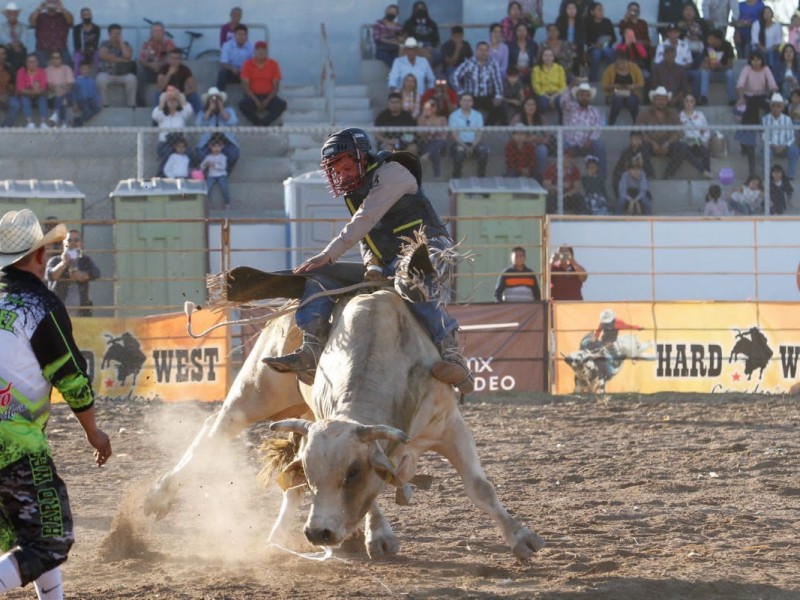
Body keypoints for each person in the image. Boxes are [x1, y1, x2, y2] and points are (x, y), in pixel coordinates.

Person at [262, 127, 474, 394]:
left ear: (362, 157)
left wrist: (329, 254)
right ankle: (311, 350)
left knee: (410, 277)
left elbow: (365, 219)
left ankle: (452, 353)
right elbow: (367, 235)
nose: (342, 174)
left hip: (428, 250)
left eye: (346, 166)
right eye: (336, 170)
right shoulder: (355, 192)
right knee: (318, 277)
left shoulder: (394, 172)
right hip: (387, 263)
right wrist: (370, 263)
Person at [0, 209, 111, 599]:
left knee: (27, 538)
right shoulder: (40, 306)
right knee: (51, 540)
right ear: (39, 256)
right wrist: (93, 432)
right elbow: (72, 379)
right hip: (13, 445)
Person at [44, 227, 100, 317]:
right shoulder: (55, 260)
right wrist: (63, 263)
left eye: (76, 240)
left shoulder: (85, 260)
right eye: (69, 240)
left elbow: (96, 272)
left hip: (81, 314)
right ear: (64, 244)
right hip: (58, 313)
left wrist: (82, 275)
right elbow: (50, 275)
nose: (72, 243)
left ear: (81, 244)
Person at [636, 86, 687, 179]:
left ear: (667, 101)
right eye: (658, 99)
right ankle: (650, 174)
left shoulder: (673, 113)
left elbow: (679, 131)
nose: (661, 102)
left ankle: (669, 174)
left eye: (663, 99)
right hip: (650, 144)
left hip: (668, 144)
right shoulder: (644, 113)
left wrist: (667, 143)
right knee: (641, 147)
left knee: (682, 147)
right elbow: (640, 131)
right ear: (653, 100)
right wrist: (653, 143)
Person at [560, 81, 607, 177]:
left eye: (587, 95)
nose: (584, 98)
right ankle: (560, 179)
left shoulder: (594, 111)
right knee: (562, 145)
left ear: (590, 97)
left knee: (600, 145)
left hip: (588, 145)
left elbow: (597, 129)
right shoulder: (570, 108)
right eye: (581, 95)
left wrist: (590, 141)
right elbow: (563, 101)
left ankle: (601, 179)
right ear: (577, 96)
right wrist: (570, 88)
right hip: (571, 144)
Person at [451, 41, 505, 125]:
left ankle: (487, 128)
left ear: (488, 51)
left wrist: (498, 96)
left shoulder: (493, 63)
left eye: (485, 50)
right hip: (471, 96)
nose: (483, 52)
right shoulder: (469, 63)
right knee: (462, 107)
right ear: (476, 51)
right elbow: (454, 76)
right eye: (480, 50)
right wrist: (461, 92)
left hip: (487, 96)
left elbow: (498, 81)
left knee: (501, 109)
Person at [239, 41, 287, 127]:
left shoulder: (273, 64)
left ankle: (264, 123)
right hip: (252, 96)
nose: (260, 52)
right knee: (243, 104)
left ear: (266, 52)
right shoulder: (247, 64)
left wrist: (266, 101)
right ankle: (257, 123)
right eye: (258, 50)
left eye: (263, 50)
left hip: (268, 96)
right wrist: (256, 101)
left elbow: (276, 88)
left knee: (282, 105)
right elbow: (245, 87)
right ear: (254, 51)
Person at [195, 86, 239, 173]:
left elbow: (233, 122)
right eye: (212, 99)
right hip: (208, 142)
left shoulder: (229, 110)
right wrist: (210, 110)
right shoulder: (202, 113)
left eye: (217, 99)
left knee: (234, 153)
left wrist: (222, 109)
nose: (215, 101)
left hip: (225, 141)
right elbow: (198, 125)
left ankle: (224, 172)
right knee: (201, 154)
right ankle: (210, 172)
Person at [510, 95, 551, 181]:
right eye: (528, 105)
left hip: (537, 146)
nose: (531, 107)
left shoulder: (542, 119)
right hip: (521, 147)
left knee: (543, 150)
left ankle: (539, 177)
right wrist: (533, 138)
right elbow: (513, 137)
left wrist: (532, 139)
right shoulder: (517, 118)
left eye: (533, 105)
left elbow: (547, 137)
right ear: (523, 106)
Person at [448, 93, 489, 178]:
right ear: (460, 102)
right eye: (464, 100)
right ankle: (456, 178)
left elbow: (479, 133)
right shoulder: (454, 116)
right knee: (459, 152)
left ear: (472, 103)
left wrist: (473, 145)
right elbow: (454, 135)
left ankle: (481, 177)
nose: (467, 103)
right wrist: (464, 146)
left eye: (469, 100)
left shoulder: (478, 115)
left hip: (474, 142)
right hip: (459, 143)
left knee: (484, 151)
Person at [95, 23, 136, 108]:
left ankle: (131, 105)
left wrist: (121, 43)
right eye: (115, 33)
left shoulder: (125, 44)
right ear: (109, 34)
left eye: (119, 33)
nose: (117, 35)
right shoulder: (104, 44)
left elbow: (128, 56)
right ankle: (104, 104)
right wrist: (123, 60)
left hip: (123, 74)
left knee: (132, 79)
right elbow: (104, 56)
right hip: (107, 73)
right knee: (100, 79)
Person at [152, 87, 194, 164]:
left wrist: (179, 96)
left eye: (174, 100)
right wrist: (163, 99)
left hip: (180, 143)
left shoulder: (182, 115)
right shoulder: (162, 115)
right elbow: (155, 116)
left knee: (190, 154)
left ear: (178, 103)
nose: (172, 102)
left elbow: (189, 111)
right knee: (168, 154)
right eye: (169, 100)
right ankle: (163, 174)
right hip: (165, 143)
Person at [762, 93, 799, 180]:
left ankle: (790, 175)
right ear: (770, 106)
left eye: (778, 106)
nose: (776, 108)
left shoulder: (787, 119)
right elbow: (764, 136)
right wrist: (773, 146)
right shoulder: (765, 119)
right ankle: (767, 175)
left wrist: (784, 146)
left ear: (782, 107)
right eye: (773, 106)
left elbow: (791, 136)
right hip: (771, 146)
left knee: (795, 151)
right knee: (765, 152)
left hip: (785, 147)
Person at [601, 49, 643, 125]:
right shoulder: (609, 70)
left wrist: (632, 87)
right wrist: (613, 86)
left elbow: (641, 83)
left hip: (631, 93)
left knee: (632, 101)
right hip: (614, 93)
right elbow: (604, 86)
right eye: (619, 63)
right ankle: (611, 123)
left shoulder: (634, 68)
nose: (621, 65)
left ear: (627, 61)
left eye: (623, 62)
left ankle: (637, 123)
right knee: (617, 101)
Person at [137, 21, 174, 105]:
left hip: (164, 73)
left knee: (171, 70)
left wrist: (159, 65)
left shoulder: (169, 44)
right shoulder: (146, 44)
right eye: (155, 31)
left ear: (163, 32)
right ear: (151, 33)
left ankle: (169, 102)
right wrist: (151, 64)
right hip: (151, 72)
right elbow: (142, 59)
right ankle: (140, 103)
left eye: (159, 31)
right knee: (140, 70)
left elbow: (172, 59)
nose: (157, 33)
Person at [155, 48, 202, 114]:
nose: (174, 61)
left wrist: (183, 94)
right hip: (166, 95)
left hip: (180, 94)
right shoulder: (164, 69)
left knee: (194, 96)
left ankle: (201, 119)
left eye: (177, 58)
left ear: (180, 60)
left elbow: (193, 87)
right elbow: (160, 87)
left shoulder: (185, 69)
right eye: (172, 58)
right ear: (169, 59)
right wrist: (169, 74)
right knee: (158, 95)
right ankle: (156, 122)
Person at [29, 0, 72, 67]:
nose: (52, 3)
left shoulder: (63, 16)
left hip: (61, 49)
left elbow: (70, 21)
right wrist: (39, 9)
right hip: (42, 49)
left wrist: (62, 9)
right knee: (41, 70)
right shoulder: (40, 16)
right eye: (49, 1)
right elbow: (32, 22)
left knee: (67, 67)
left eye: (54, 1)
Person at [679, 93, 712, 179]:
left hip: (698, 141)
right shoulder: (680, 116)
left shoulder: (700, 115)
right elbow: (678, 133)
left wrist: (703, 140)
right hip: (685, 143)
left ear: (694, 103)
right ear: (684, 103)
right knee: (685, 151)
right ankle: (703, 171)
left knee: (705, 151)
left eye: (691, 101)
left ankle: (708, 171)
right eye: (687, 101)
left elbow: (706, 130)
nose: (689, 103)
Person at [700, 28, 736, 105]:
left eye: (711, 39)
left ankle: (732, 99)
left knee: (730, 73)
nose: (709, 40)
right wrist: (709, 65)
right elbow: (705, 63)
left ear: (717, 39)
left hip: (723, 72)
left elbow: (730, 64)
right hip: (712, 72)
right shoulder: (708, 47)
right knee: (704, 73)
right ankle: (704, 97)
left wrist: (721, 66)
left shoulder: (727, 45)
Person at [611, 130, 654, 194]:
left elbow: (648, 167)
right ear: (631, 140)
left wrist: (641, 165)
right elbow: (622, 167)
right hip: (627, 175)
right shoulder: (626, 152)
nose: (638, 142)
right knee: (618, 178)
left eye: (640, 139)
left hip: (640, 175)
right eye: (635, 139)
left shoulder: (644, 152)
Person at [736, 50, 777, 116]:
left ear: (761, 60)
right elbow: (740, 84)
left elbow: (772, 84)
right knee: (749, 106)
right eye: (753, 60)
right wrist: (741, 98)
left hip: (762, 96)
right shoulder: (747, 68)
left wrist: (775, 97)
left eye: (758, 59)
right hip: (748, 96)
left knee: (771, 107)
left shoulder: (766, 69)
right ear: (750, 61)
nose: (756, 62)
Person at [416, 98, 448, 180]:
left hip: (439, 145)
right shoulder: (421, 119)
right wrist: (424, 115)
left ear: (437, 107)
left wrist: (429, 132)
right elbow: (420, 134)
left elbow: (444, 136)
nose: (430, 107)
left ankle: (427, 155)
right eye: (428, 105)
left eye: (433, 105)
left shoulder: (442, 119)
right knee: (435, 152)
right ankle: (437, 176)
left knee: (441, 142)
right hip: (426, 144)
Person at [584, 1, 617, 82]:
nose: (601, 12)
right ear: (592, 12)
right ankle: (593, 77)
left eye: (602, 10)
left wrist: (609, 39)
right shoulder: (588, 23)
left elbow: (614, 38)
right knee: (596, 54)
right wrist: (594, 45)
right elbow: (585, 39)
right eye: (599, 10)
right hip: (592, 47)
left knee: (609, 52)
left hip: (606, 46)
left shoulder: (607, 22)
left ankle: (612, 76)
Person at [532, 47, 566, 123]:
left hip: (557, 93)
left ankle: (562, 126)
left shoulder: (559, 68)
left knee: (562, 101)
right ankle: (540, 124)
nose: (548, 57)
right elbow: (536, 86)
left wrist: (554, 97)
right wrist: (547, 96)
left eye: (550, 55)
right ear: (542, 57)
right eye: (545, 55)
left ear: (554, 57)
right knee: (543, 103)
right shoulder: (536, 69)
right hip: (543, 93)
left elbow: (563, 85)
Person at [15, 53, 48, 129]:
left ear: (37, 63)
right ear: (26, 63)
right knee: (25, 98)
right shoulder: (21, 71)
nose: (32, 64)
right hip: (25, 95)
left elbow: (43, 88)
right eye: (29, 62)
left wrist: (36, 91)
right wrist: (33, 91)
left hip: (38, 95)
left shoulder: (41, 71)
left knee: (42, 98)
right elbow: (20, 89)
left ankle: (43, 123)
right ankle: (30, 123)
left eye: (34, 62)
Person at [216, 24, 253, 91]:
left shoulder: (252, 46)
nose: (241, 37)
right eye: (239, 34)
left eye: (244, 34)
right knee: (222, 73)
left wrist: (246, 70)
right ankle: (220, 96)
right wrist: (232, 68)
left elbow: (255, 62)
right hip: (233, 72)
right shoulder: (227, 45)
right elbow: (223, 63)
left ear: (247, 36)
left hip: (247, 72)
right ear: (234, 35)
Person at [402, 1, 440, 66]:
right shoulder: (408, 23)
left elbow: (437, 39)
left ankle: (425, 73)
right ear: (414, 10)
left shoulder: (432, 24)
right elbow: (404, 37)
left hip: (429, 48)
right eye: (417, 8)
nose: (420, 10)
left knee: (429, 53)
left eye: (422, 8)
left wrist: (432, 47)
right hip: (414, 47)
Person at [200, 135, 231, 209]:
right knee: (208, 187)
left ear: (222, 147)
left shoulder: (223, 157)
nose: (216, 149)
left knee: (224, 187)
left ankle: (227, 202)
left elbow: (223, 167)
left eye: (219, 146)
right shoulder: (208, 157)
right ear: (210, 147)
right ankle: (207, 203)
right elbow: (202, 166)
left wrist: (214, 165)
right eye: (214, 147)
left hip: (221, 175)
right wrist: (205, 165)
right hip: (211, 175)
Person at [555, 1, 585, 76]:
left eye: (573, 8)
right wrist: (566, 45)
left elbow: (583, 36)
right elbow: (557, 36)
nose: (571, 11)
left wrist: (576, 44)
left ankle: (575, 77)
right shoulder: (560, 20)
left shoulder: (581, 21)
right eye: (569, 8)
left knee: (575, 55)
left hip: (576, 47)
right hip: (563, 46)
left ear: (577, 10)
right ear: (565, 9)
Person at [44, 50, 72, 127]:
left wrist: (59, 88)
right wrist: (60, 87)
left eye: (58, 58)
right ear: (51, 60)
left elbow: (69, 84)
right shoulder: (47, 70)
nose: (56, 60)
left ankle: (56, 116)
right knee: (61, 98)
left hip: (66, 93)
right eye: (53, 58)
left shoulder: (67, 68)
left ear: (61, 59)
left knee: (61, 97)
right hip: (52, 93)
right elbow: (50, 86)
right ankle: (63, 122)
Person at [71, 6, 98, 75]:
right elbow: (76, 43)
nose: (87, 17)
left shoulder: (96, 28)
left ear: (91, 15)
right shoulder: (77, 28)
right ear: (81, 16)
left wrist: (89, 51)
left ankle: (93, 77)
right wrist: (81, 51)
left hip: (91, 51)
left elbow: (95, 43)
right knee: (78, 57)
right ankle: (78, 78)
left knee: (95, 57)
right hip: (80, 51)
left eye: (89, 15)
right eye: (85, 15)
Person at [0, 2, 27, 72]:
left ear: (17, 14)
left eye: (13, 13)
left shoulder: (22, 26)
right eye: (9, 13)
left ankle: (17, 76)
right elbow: (4, 39)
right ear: (6, 15)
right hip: (7, 48)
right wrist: (13, 45)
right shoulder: (2, 26)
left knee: (20, 54)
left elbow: (23, 39)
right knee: (12, 54)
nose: (12, 15)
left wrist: (18, 45)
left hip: (19, 47)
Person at [373, 4, 402, 68]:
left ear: (396, 15)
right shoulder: (379, 23)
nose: (391, 13)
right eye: (390, 11)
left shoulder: (398, 26)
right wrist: (392, 41)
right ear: (386, 12)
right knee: (394, 64)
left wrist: (400, 39)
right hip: (382, 49)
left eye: (394, 12)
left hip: (395, 49)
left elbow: (400, 38)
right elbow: (378, 38)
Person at [72, 58, 100, 125]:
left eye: (87, 69)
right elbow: (74, 93)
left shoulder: (92, 80)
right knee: (87, 112)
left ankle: (79, 120)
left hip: (91, 100)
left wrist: (98, 100)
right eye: (83, 69)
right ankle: (78, 122)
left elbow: (95, 92)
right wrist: (74, 104)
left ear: (89, 70)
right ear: (80, 70)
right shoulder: (77, 80)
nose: (85, 71)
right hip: (82, 100)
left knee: (97, 109)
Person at [0, 45, 19, 126]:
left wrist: (7, 94)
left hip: (6, 95)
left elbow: (13, 86)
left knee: (15, 104)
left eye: (3, 54)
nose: (1, 56)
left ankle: (6, 127)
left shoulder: (9, 68)